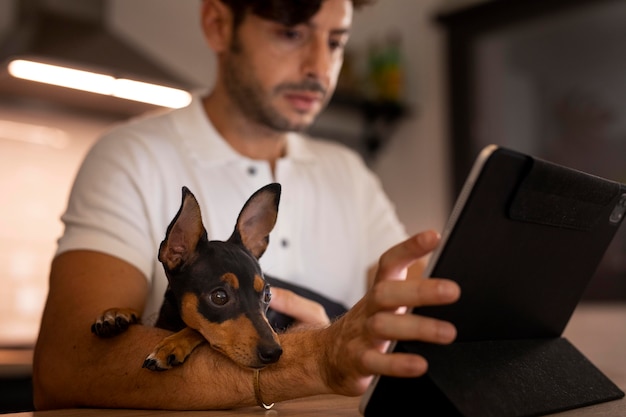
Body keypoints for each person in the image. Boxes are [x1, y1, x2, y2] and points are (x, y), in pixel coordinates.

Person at [32, 0, 461, 410]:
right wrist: (314, 357)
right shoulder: (130, 156)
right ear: (219, 25)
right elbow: (66, 369)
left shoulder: (350, 172)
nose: (319, 66)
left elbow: (437, 313)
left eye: (335, 41)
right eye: (292, 33)